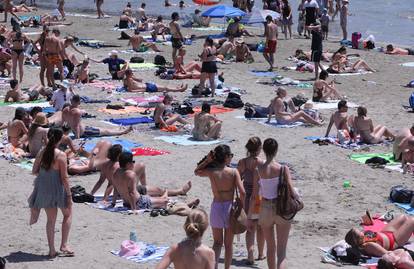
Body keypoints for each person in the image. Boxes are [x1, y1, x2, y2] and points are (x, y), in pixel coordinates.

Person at [247, 138, 296, 269]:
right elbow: (292, 190)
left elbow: (254, 197)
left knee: (270, 248)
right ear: (276, 151)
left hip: (265, 208)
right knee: (281, 252)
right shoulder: (283, 169)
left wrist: (250, 217)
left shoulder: (258, 170)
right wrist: (299, 200)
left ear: (264, 150)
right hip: (281, 208)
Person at [194, 145, 246, 269]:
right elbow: (242, 192)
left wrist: (207, 160)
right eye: (231, 156)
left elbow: (197, 171)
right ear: (227, 157)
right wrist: (241, 205)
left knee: (217, 243)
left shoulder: (212, 172)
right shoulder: (233, 172)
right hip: (229, 208)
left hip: (217, 207)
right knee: (228, 245)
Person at [90, 144, 192, 202]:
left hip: (121, 190)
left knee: (142, 167)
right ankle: (180, 191)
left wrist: (91, 194)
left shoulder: (105, 165)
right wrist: (105, 198)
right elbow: (112, 184)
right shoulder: (117, 166)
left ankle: (145, 187)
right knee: (159, 190)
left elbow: (100, 182)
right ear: (118, 156)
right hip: (125, 191)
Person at [28, 127, 73, 258]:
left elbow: (34, 170)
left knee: (50, 220)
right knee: (68, 214)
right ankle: (64, 244)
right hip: (57, 188)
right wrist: (69, 195)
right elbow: (64, 178)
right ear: (60, 139)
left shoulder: (43, 151)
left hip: (44, 187)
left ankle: (52, 250)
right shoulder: (61, 155)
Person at [112, 152, 199, 213]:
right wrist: (134, 209)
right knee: (164, 201)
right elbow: (131, 193)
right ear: (127, 164)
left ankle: (180, 191)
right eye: (132, 162)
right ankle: (185, 205)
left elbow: (116, 189)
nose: (134, 164)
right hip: (139, 202)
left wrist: (113, 203)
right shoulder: (131, 175)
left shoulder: (116, 172)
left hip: (128, 201)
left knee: (158, 190)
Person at [237, 137, 265, 265]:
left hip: (247, 197)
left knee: (250, 227)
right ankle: (260, 253)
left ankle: (250, 254)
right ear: (259, 149)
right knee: (260, 227)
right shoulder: (261, 163)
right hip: (259, 197)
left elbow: (238, 179)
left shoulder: (242, 162)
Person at [62, 95, 132, 139]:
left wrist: (64, 133)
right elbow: (76, 125)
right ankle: (123, 131)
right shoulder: (77, 112)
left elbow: (65, 123)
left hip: (80, 129)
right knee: (105, 131)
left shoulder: (66, 109)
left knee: (101, 128)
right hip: (83, 132)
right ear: (79, 103)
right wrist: (77, 138)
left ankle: (117, 129)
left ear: (71, 101)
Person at [345, 215, 414, 257]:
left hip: (386, 233)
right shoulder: (369, 245)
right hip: (395, 241)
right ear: (357, 240)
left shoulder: (363, 239)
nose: (362, 232)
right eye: (360, 233)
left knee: (403, 217)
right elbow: (387, 253)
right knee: (412, 220)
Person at [123, 69, 188, 92]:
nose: (133, 74)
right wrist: (143, 90)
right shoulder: (129, 80)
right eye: (132, 73)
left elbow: (140, 80)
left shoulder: (128, 79)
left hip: (147, 85)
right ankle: (179, 90)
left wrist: (134, 78)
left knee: (164, 86)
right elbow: (131, 90)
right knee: (165, 88)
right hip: (148, 88)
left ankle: (178, 88)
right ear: (129, 74)